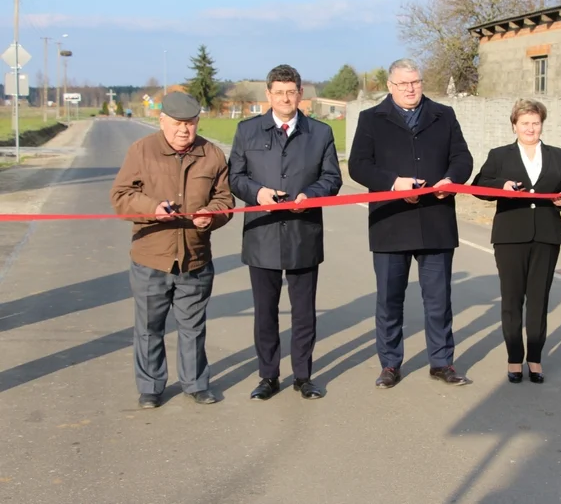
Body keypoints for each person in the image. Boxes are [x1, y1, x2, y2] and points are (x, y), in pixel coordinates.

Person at [348, 58, 474, 389]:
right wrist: (392, 183)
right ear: (390, 86)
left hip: (436, 219)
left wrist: (451, 179)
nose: (410, 89)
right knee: (389, 300)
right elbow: (359, 166)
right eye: (403, 84)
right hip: (391, 222)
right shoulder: (371, 119)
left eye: (415, 82)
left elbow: (462, 157)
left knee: (438, 299)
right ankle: (390, 364)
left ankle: (442, 361)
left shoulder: (443, 115)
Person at [110, 91, 235, 409]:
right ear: (162, 120)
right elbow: (121, 196)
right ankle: (150, 387)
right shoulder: (141, 151)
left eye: (191, 123)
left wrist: (212, 216)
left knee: (193, 326)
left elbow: (225, 200)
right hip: (151, 257)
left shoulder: (212, 155)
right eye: (179, 123)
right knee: (150, 327)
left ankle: (196, 383)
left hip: (195, 257)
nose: (185, 130)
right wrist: (152, 208)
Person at [228, 64, 342, 401]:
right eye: (279, 92)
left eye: (291, 91)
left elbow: (332, 177)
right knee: (265, 312)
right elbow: (235, 177)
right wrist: (257, 193)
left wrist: (312, 195)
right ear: (269, 95)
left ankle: (303, 376)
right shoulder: (247, 131)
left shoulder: (320, 133)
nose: (285, 98)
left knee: (303, 311)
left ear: (300, 94)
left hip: (302, 232)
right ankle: (268, 376)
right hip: (261, 233)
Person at [471, 99, 561, 384]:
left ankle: (534, 357)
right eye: (525, 123)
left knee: (538, 299)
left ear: (542, 124)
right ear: (514, 126)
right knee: (511, 299)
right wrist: (501, 187)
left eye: (535, 123)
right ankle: (513, 358)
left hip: (546, 236)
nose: (530, 128)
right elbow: (478, 186)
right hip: (510, 236)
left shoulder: (559, 155)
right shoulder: (500, 155)